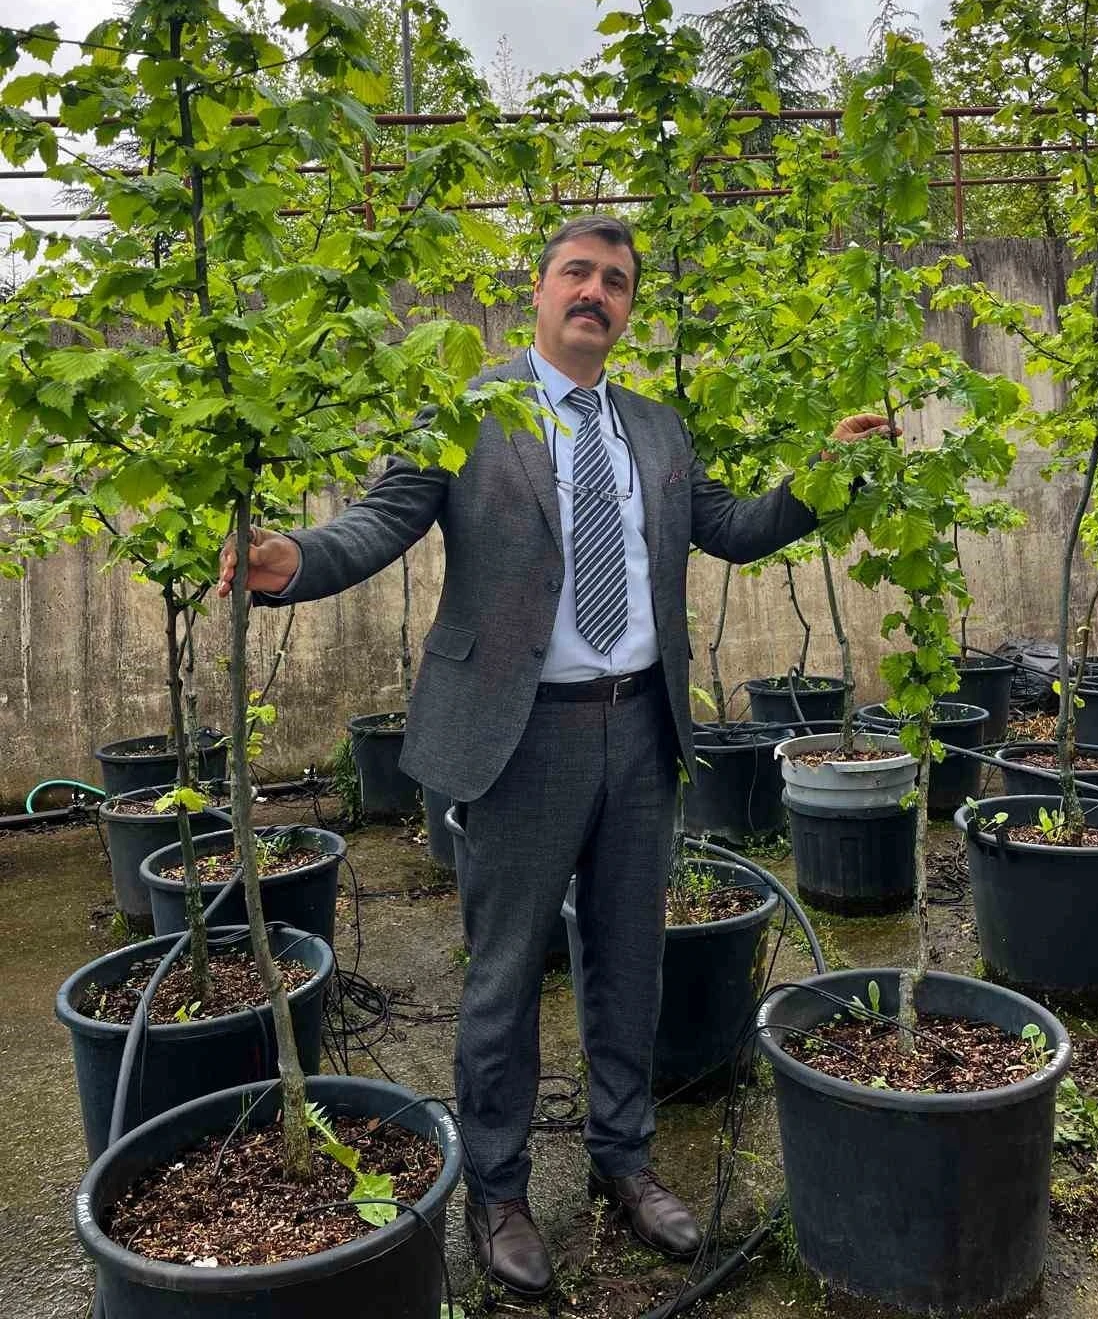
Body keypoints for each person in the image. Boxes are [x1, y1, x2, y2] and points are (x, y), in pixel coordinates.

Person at [218, 214, 891, 1296]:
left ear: (627, 309)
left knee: (631, 962)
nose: (595, 293)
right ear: (536, 292)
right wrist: (294, 559)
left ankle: (626, 1162)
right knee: (504, 975)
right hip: (520, 735)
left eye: (615, 282)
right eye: (577, 272)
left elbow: (731, 528)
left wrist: (822, 475)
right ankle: (499, 1190)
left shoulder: (657, 430)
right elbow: (382, 521)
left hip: (642, 729)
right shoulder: (472, 412)